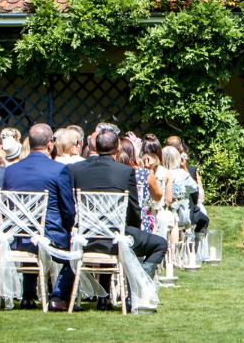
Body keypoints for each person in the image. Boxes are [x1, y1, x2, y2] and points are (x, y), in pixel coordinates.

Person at [67, 130, 168, 310]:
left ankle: (104, 299)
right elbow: (133, 207)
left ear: (95, 147)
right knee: (159, 243)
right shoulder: (126, 171)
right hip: (116, 238)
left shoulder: (75, 169)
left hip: (85, 240)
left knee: (124, 237)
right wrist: (133, 230)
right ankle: (137, 293)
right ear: (118, 147)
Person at [2, 124, 76, 311]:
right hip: (49, 235)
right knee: (76, 249)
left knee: (31, 231)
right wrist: (69, 229)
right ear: (50, 145)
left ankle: (28, 295)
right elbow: (68, 209)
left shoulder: (11, 170)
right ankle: (58, 295)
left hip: (17, 236)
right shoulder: (59, 170)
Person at [166, 136, 208, 235]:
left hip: (165, 212)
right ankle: (197, 245)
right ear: (181, 151)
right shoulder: (187, 171)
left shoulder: (159, 171)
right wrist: (185, 169)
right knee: (203, 218)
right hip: (184, 215)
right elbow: (198, 194)